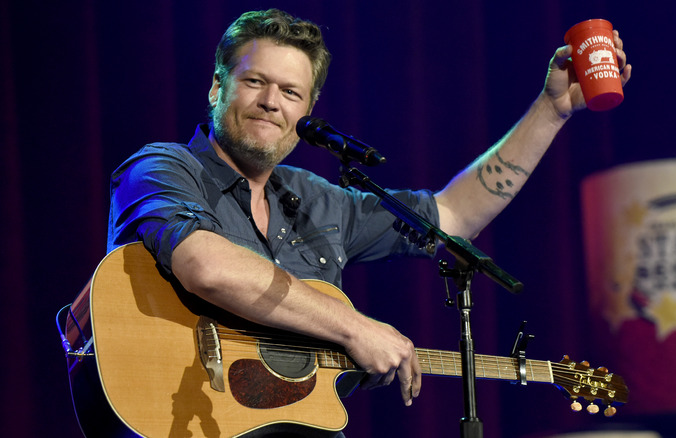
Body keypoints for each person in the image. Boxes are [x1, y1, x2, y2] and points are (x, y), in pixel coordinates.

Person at [108, 8, 631, 437]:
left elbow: (451, 216)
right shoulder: (161, 167)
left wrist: (552, 109)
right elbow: (207, 267)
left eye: (291, 93)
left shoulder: (316, 199)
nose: (271, 102)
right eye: (254, 82)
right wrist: (354, 326)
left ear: (308, 109)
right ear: (216, 89)